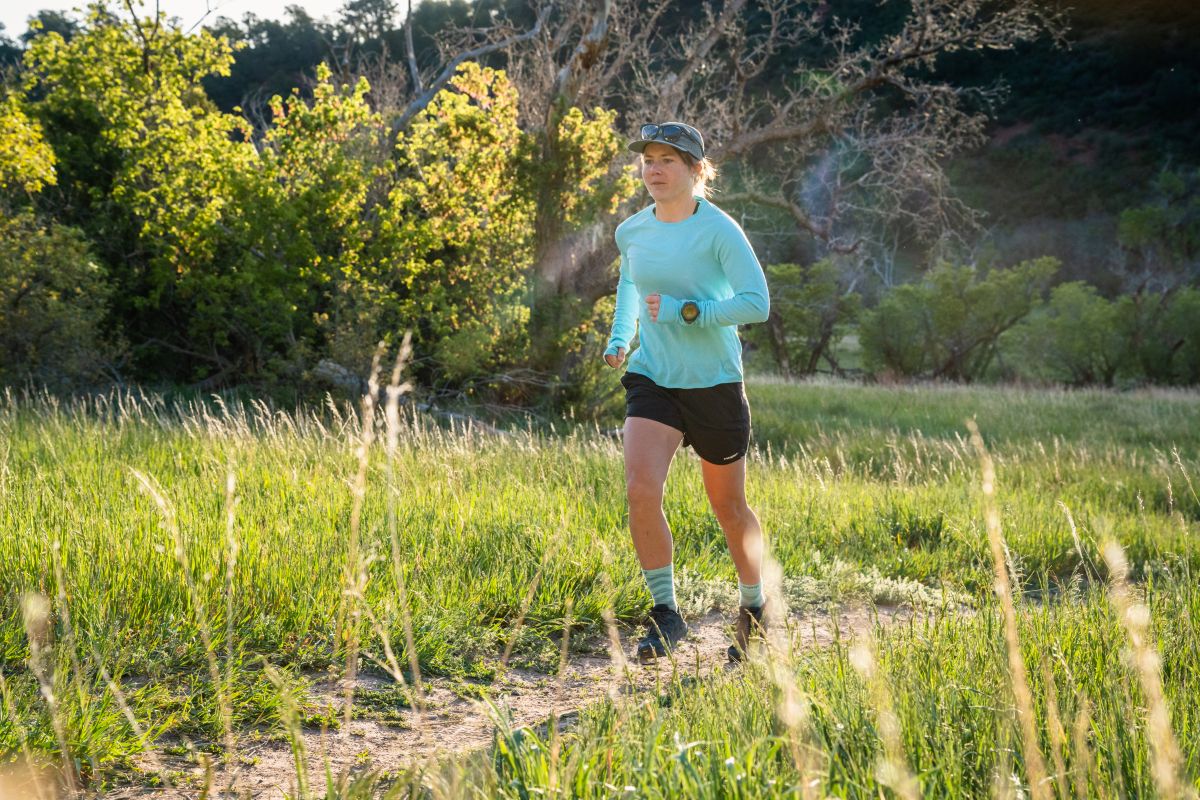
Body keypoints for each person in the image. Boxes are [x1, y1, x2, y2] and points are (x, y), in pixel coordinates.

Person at [603, 121, 771, 663]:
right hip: (653, 376)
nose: (653, 169)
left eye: (667, 161)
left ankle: (755, 609)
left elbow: (755, 304)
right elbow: (631, 283)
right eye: (648, 159)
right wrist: (620, 337)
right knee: (640, 488)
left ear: (698, 171)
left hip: (714, 384)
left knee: (728, 506)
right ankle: (667, 615)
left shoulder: (720, 230)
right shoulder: (632, 231)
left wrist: (689, 311)